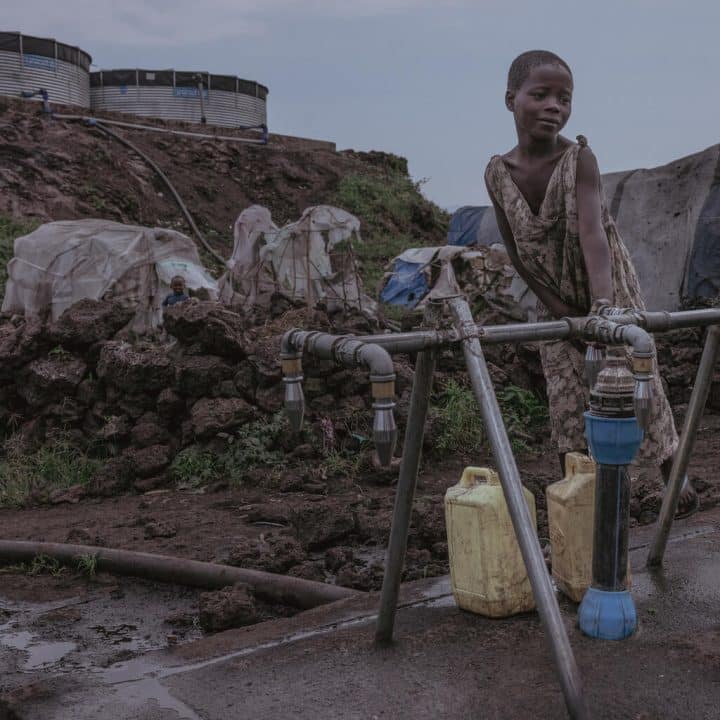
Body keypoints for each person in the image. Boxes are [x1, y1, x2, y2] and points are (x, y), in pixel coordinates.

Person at [484, 49, 698, 518]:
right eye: (540, 95)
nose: (554, 107)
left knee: (639, 384)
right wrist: (563, 313)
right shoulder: (497, 175)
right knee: (565, 396)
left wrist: (602, 307)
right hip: (552, 300)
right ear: (510, 100)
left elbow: (592, 233)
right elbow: (518, 255)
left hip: (607, 288)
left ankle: (672, 477)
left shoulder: (580, 158)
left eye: (564, 98)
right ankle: (578, 496)